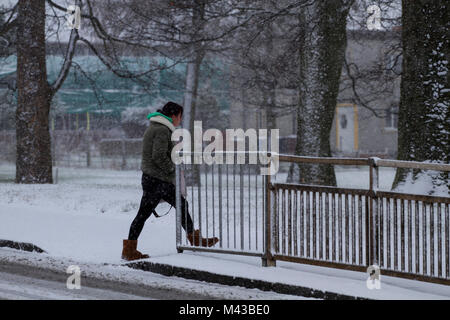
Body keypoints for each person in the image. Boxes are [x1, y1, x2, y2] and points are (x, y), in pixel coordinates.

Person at [122, 101, 219, 261]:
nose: (180, 120)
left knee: (149, 213)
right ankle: (193, 238)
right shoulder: (162, 130)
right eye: (179, 116)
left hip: (152, 178)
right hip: (157, 180)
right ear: (173, 115)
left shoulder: (156, 127)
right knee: (173, 206)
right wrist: (172, 169)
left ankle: (130, 249)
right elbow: (158, 155)